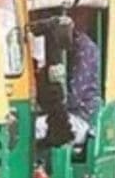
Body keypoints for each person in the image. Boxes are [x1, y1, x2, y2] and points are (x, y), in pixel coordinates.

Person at [35, 9, 101, 145]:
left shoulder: (85, 49)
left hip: (80, 117)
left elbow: (72, 99)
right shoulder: (42, 44)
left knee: (31, 129)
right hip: (51, 113)